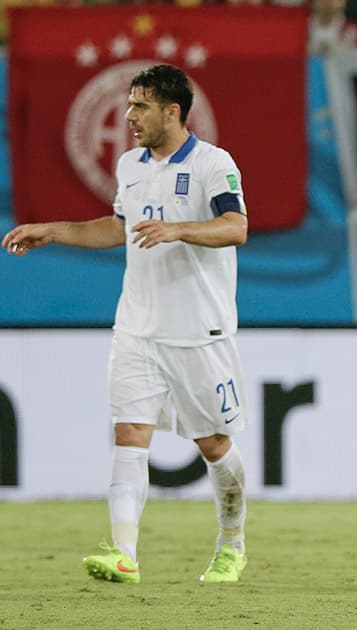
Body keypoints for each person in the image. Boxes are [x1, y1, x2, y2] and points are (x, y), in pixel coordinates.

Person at [3, 65, 250, 584]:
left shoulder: (213, 164)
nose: (129, 116)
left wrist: (178, 228)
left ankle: (232, 543)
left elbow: (236, 227)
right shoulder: (131, 165)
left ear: (172, 111)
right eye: (130, 104)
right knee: (130, 433)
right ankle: (125, 554)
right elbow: (117, 228)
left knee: (213, 445)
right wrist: (54, 230)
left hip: (200, 332)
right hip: (137, 327)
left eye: (140, 105)